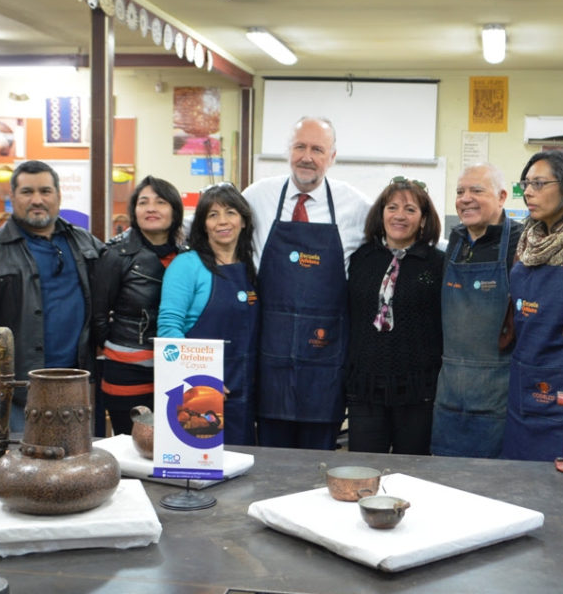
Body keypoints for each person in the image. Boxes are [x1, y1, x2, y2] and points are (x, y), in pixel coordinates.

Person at [242, 116, 370, 450]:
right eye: (300, 146)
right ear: (288, 151)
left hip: (325, 361)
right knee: (269, 460)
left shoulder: (357, 207)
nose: (307, 156)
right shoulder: (256, 198)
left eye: (317, 149)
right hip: (270, 355)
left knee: (317, 467)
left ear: (333, 156)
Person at [0, 160, 102, 431]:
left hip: (78, 388)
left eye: (45, 191)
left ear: (59, 196)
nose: (37, 200)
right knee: (21, 470)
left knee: (76, 469)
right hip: (18, 394)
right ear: (12, 197)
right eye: (27, 192)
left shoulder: (86, 244)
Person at [501, 149, 563, 461]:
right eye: (525, 184)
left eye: (539, 184)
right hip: (521, 388)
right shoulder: (526, 242)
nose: (528, 192)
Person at [344, 178, 445, 454]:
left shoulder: (437, 264)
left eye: (410, 210)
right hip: (365, 388)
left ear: (423, 220)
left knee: (412, 475)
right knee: (365, 471)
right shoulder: (361, 259)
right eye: (392, 207)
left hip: (418, 390)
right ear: (381, 214)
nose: (400, 215)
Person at [432, 163, 523, 458]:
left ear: (502, 196)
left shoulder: (521, 243)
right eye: (460, 192)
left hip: (497, 390)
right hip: (450, 389)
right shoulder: (455, 241)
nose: (465, 198)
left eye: (476, 190)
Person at [158, 182, 259, 445]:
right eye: (213, 215)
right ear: (203, 224)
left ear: (244, 221)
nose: (222, 222)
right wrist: (198, 381)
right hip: (199, 395)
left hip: (245, 389)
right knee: (201, 471)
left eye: (230, 213)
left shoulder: (252, 267)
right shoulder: (186, 265)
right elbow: (169, 329)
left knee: (241, 469)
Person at [90, 176, 184, 437]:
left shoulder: (188, 255)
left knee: (172, 444)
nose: (151, 208)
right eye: (143, 202)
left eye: (160, 202)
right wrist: (123, 347)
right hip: (126, 370)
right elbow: (98, 317)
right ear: (134, 211)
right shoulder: (116, 253)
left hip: (175, 368)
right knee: (132, 447)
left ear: (175, 211)